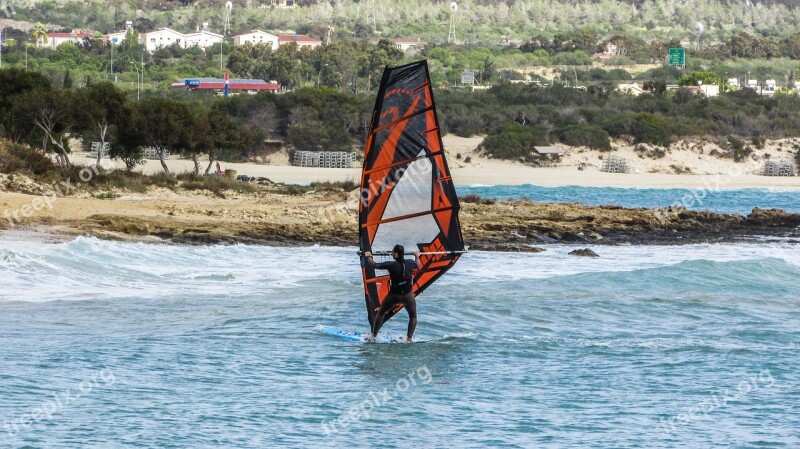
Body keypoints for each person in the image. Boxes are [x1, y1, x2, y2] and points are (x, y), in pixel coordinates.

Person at [363, 244, 421, 343]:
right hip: (408, 296)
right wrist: (417, 256)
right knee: (413, 316)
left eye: (393, 252)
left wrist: (368, 256)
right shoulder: (411, 263)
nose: (391, 253)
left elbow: (374, 265)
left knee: (381, 313)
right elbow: (418, 265)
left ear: (397, 254)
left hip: (394, 296)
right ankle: (409, 338)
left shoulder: (391, 265)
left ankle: (373, 336)